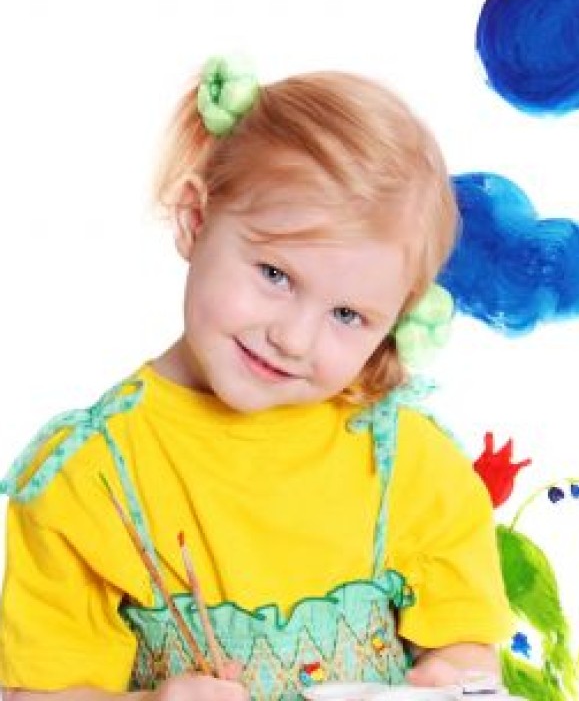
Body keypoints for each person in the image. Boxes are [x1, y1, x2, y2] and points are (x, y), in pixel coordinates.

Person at [0, 56, 512, 701]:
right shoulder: (88, 477)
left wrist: (452, 677)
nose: (294, 339)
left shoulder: (410, 465)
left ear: (394, 323)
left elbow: (466, 650)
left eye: (347, 315)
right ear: (195, 219)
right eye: (275, 275)